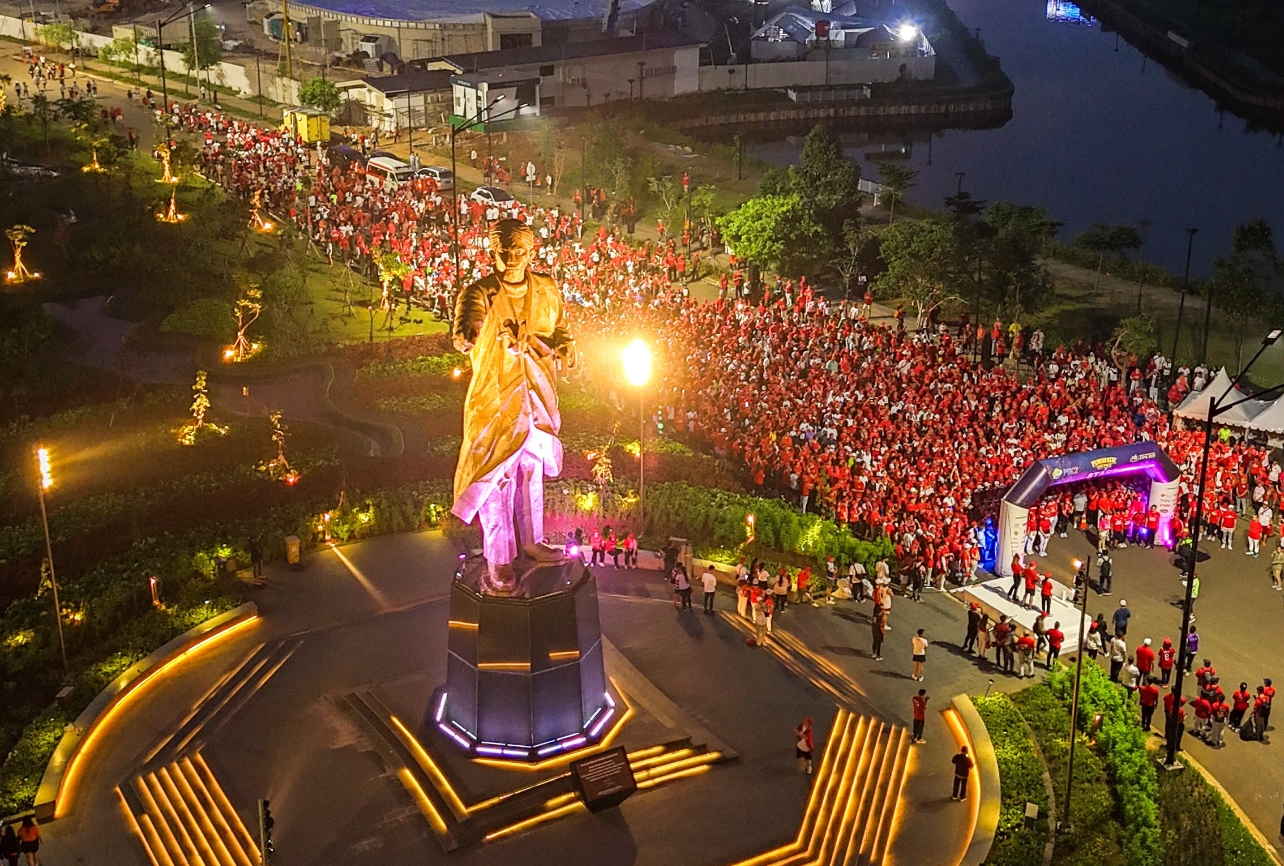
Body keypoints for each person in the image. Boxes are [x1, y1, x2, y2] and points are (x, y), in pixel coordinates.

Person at [450, 220, 577, 592]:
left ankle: (533, 542)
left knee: (530, 472)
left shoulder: (548, 289)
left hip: (537, 399)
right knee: (496, 480)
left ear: (531, 251)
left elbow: (561, 329)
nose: (511, 258)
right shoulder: (480, 293)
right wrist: (468, 333)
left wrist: (566, 346)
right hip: (496, 403)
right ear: (493, 252)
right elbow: (464, 330)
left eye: (518, 251)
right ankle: (499, 560)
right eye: (503, 251)